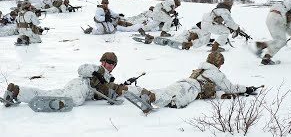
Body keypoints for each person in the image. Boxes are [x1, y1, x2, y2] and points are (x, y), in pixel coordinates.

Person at [130, 52, 257, 113]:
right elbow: (230, 88)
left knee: (166, 91)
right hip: (192, 89)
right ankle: (151, 98)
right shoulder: (216, 73)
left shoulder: (202, 68)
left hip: (183, 82)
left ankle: (147, 94)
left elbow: (218, 89)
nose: (221, 66)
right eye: (221, 63)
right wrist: (246, 89)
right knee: (174, 101)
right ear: (218, 62)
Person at [2, 52, 140, 108]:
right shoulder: (96, 68)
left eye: (112, 63)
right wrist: (97, 71)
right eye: (107, 61)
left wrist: (123, 86)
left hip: (82, 88)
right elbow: (81, 69)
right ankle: (54, 104)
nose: (109, 65)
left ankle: (17, 91)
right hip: (81, 86)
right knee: (74, 100)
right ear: (102, 62)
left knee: (53, 92)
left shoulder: (109, 78)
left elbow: (106, 89)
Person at [255, 0, 291, 65]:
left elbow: (287, 26)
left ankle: (266, 57)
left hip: (270, 18)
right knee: (281, 41)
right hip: (278, 18)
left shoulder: (286, 3)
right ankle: (263, 46)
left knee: (279, 40)